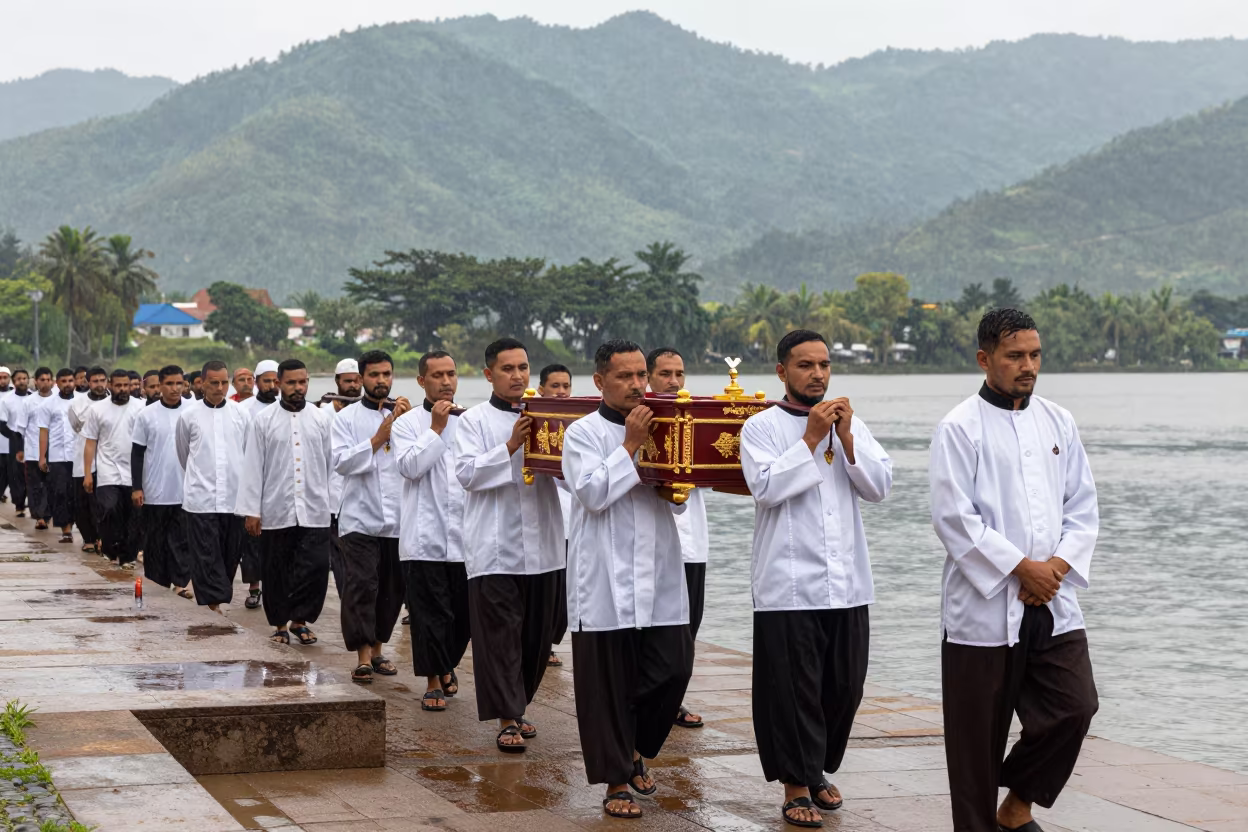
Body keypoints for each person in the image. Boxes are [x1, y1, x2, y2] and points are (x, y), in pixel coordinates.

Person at [929, 309, 1099, 832]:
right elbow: (954, 519)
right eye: (1015, 356)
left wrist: (1054, 568)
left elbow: (1083, 507)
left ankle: (1017, 805)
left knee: (1075, 708)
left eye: (1034, 354)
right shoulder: (959, 427)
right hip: (982, 609)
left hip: (1052, 599)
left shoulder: (1058, 421)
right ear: (985, 360)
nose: (1028, 366)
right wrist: (1021, 568)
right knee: (975, 742)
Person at [740, 329, 893, 829]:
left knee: (843, 686)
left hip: (847, 581)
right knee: (793, 689)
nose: (818, 374)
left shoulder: (849, 423)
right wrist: (809, 440)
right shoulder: (760, 428)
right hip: (788, 585)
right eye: (805, 365)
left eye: (824, 365)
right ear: (783, 372)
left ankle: (817, 765)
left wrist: (846, 440)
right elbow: (765, 488)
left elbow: (879, 487)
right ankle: (797, 785)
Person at [563, 340, 694, 819]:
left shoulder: (667, 424)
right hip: (603, 576)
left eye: (642, 375)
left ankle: (636, 744)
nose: (638, 385)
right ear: (600, 382)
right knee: (607, 684)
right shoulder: (581, 433)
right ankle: (617, 780)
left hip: (658, 570)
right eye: (626, 377)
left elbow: (680, 497)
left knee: (674, 669)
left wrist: (674, 477)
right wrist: (632, 446)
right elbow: (594, 494)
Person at [454, 337, 563, 753]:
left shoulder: (550, 417)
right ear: (488, 375)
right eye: (507, 369)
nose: (517, 376)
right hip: (495, 549)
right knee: (499, 637)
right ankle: (506, 717)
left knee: (537, 640)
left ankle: (518, 704)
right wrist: (512, 446)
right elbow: (466, 474)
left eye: (523, 367)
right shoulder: (474, 421)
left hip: (546, 548)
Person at [237, 359, 333, 646]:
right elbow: (253, 466)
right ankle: (280, 625)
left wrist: (332, 504)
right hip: (276, 509)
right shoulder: (263, 421)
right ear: (278, 383)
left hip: (314, 508)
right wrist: (252, 511)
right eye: (291, 382)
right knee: (276, 569)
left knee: (315, 568)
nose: (297, 388)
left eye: (302, 382)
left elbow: (329, 463)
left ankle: (300, 621)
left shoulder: (320, 418)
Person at [392, 350, 469, 711]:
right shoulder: (406, 424)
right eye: (437, 375)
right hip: (424, 538)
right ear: (422, 381)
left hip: (466, 538)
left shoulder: (470, 421)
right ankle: (433, 680)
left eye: (451, 374)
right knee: (429, 615)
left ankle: (446, 663)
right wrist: (435, 430)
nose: (446, 382)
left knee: (463, 617)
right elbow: (409, 468)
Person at [332, 350, 409, 683]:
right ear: (361, 378)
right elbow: (342, 463)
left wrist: (402, 423)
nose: (381, 381)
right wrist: (380, 437)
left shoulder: (406, 416)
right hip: (359, 518)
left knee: (392, 589)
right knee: (361, 586)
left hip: (397, 520)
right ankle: (363, 656)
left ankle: (378, 650)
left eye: (387, 374)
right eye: (375, 375)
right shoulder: (345, 419)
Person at [646, 347, 707, 730]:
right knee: (653, 631)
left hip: (693, 545)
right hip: (651, 546)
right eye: (665, 373)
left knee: (689, 630)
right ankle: (649, 702)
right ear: (648, 377)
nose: (673, 381)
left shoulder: (696, 419)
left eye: (679, 373)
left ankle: (673, 700)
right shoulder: (636, 420)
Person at [176, 360, 251, 612]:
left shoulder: (241, 414)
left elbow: (248, 453)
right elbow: (183, 453)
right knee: (206, 553)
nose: (220, 388)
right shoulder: (188, 416)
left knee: (231, 553)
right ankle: (213, 604)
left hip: (234, 497)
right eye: (214, 383)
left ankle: (218, 596)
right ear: (202, 383)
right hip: (201, 498)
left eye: (224, 382)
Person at [131, 365, 193, 599]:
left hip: (185, 488)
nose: (175, 388)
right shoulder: (147, 415)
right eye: (169, 384)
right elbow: (137, 452)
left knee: (181, 540)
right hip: (155, 489)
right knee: (156, 541)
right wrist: (137, 487)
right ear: (160, 385)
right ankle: (157, 584)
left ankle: (180, 583)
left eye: (179, 384)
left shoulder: (192, 411)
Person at [82, 369, 147, 568]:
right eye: (118, 385)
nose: (122, 389)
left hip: (134, 472)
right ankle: (110, 547)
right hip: (107, 470)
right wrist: (87, 474)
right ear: (110, 385)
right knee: (109, 509)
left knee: (133, 517)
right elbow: (91, 442)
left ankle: (127, 557)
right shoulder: (97, 409)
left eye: (126, 385)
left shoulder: (141, 407)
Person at [537, 363, 573, 668]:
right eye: (555, 386)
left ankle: (550, 640)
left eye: (566, 386)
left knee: (566, 593)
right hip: (548, 522)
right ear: (541, 389)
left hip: (574, 521)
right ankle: (542, 642)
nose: (561, 392)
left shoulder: (579, 422)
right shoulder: (534, 421)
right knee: (549, 590)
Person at [238, 359, 280, 609]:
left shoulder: (289, 408)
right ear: (256, 382)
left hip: (278, 483)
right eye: (267, 381)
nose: (272, 385)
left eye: (276, 381)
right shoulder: (244, 409)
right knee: (252, 539)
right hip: (253, 481)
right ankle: (254, 587)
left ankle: (276, 586)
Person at [320, 358, 362, 598]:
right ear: (337, 382)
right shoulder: (322, 415)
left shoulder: (372, 412)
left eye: (357, 380)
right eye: (348, 381)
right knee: (339, 560)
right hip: (332, 499)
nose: (354, 385)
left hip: (361, 499)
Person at [69, 367, 108, 553]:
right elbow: (77, 428)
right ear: (88, 382)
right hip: (82, 460)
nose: (99, 384)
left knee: (104, 503)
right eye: (95, 381)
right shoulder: (77, 404)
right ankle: (89, 538)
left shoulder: (113, 402)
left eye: (102, 380)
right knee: (83, 503)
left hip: (107, 461)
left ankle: (103, 537)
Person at [36, 369, 78, 544]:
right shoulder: (48, 405)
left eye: (70, 380)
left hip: (78, 456)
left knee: (77, 495)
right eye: (63, 381)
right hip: (57, 456)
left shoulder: (82, 402)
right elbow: (43, 432)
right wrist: (42, 457)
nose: (67, 384)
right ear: (57, 383)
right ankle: (66, 531)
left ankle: (84, 530)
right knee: (59, 493)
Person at [13, 367, 55, 530]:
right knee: (36, 485)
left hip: (55, 452)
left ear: (52, 381)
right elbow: (20, 429)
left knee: (51, 485)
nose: (45, 383)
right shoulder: (28, 402)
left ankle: (47, 514)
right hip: (33, 451)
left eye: (48, 379)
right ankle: (39, 516)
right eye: (42, 380)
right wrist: (20, 450)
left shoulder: (58, 400)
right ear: (36, 381)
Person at [0, 369, 31, 516]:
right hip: (15, 441)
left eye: (24, 378)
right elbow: (2, 424)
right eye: (19, 379)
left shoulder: (34, 397)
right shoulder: (7, 400)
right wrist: (14, 438)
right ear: (14, 381)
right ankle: (19, 504)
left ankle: (37, 505)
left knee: (34, 473)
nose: (22, 381)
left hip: (33, 441)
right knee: (16, 475)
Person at [0, 366, 12, 505]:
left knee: (10, 471)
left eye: (5, 377)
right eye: (0, 377)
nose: (2, 380)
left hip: (10, 441)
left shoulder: (17, 395)